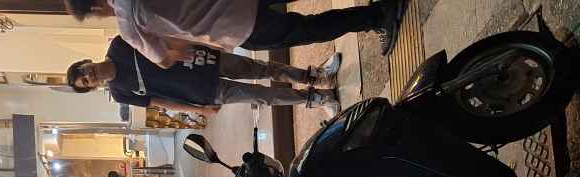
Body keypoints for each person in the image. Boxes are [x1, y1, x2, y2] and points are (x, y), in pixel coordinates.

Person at [63, 0, 408, 65]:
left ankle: (378, 15)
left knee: (308, 28)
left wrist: (174, 41)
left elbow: (164, 59)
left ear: (94, 8)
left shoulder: (128, 24)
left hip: (234, 26)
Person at [68, 40, 342, 115]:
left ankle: (315, 76)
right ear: (92, 87)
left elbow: (164, 37)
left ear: (85, 62)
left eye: (84, 71)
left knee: (261, 68)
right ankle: (316, 98)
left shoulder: (119, 44)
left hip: (202, 59)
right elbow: (160, 102)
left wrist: (203, 42)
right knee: (262, 96)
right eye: (85, 81)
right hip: (204, 92)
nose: (88, 75)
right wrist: (199, 110)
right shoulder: (120, 93)